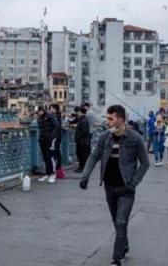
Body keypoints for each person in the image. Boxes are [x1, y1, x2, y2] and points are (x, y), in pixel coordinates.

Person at [80, 105, 150, 266]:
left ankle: (116, 259)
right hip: (109, 186)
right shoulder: (105, 137)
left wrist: (133, 183)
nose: (108, 122)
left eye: (111, 119)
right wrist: (85, 177)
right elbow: (93, 157)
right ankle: (124, 245)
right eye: (107, 118)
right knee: (116, 222)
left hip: (126, 188)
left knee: (121, 223)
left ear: (120, 119)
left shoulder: (134, 138)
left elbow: (145, 163)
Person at [36, 105, 60, 183]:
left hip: (49, 139)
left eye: (37, 112)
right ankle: (47, 173)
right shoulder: (39, 118)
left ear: (41, 110)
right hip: (42, 139)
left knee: (51, 156)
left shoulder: (50, 116)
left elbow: (56, 126)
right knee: (45, 157)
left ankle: (53, 174)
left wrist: (52, 137)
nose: (37, 114)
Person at [73, 107, 91, 173]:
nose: (78, 113)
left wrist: (78, 135)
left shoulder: (84, 121)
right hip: (81, 140)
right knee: (80, 153)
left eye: (79, 112)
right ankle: (81, 166)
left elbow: (84, 131)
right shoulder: (82, 120)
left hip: (82, 141)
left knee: (82, 154)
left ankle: (82, 167)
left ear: (83, 113)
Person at [49, 103, 64, 173]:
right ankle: (58, 164)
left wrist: (53, 135)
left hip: (56, 136)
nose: (51, 110)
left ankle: (55, 165)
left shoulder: (55, 116)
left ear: (55, 109)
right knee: (57, 150)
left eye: (52, 108)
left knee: (54, 151)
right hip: (58, 136)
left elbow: (56, 127)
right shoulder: (58, 116)